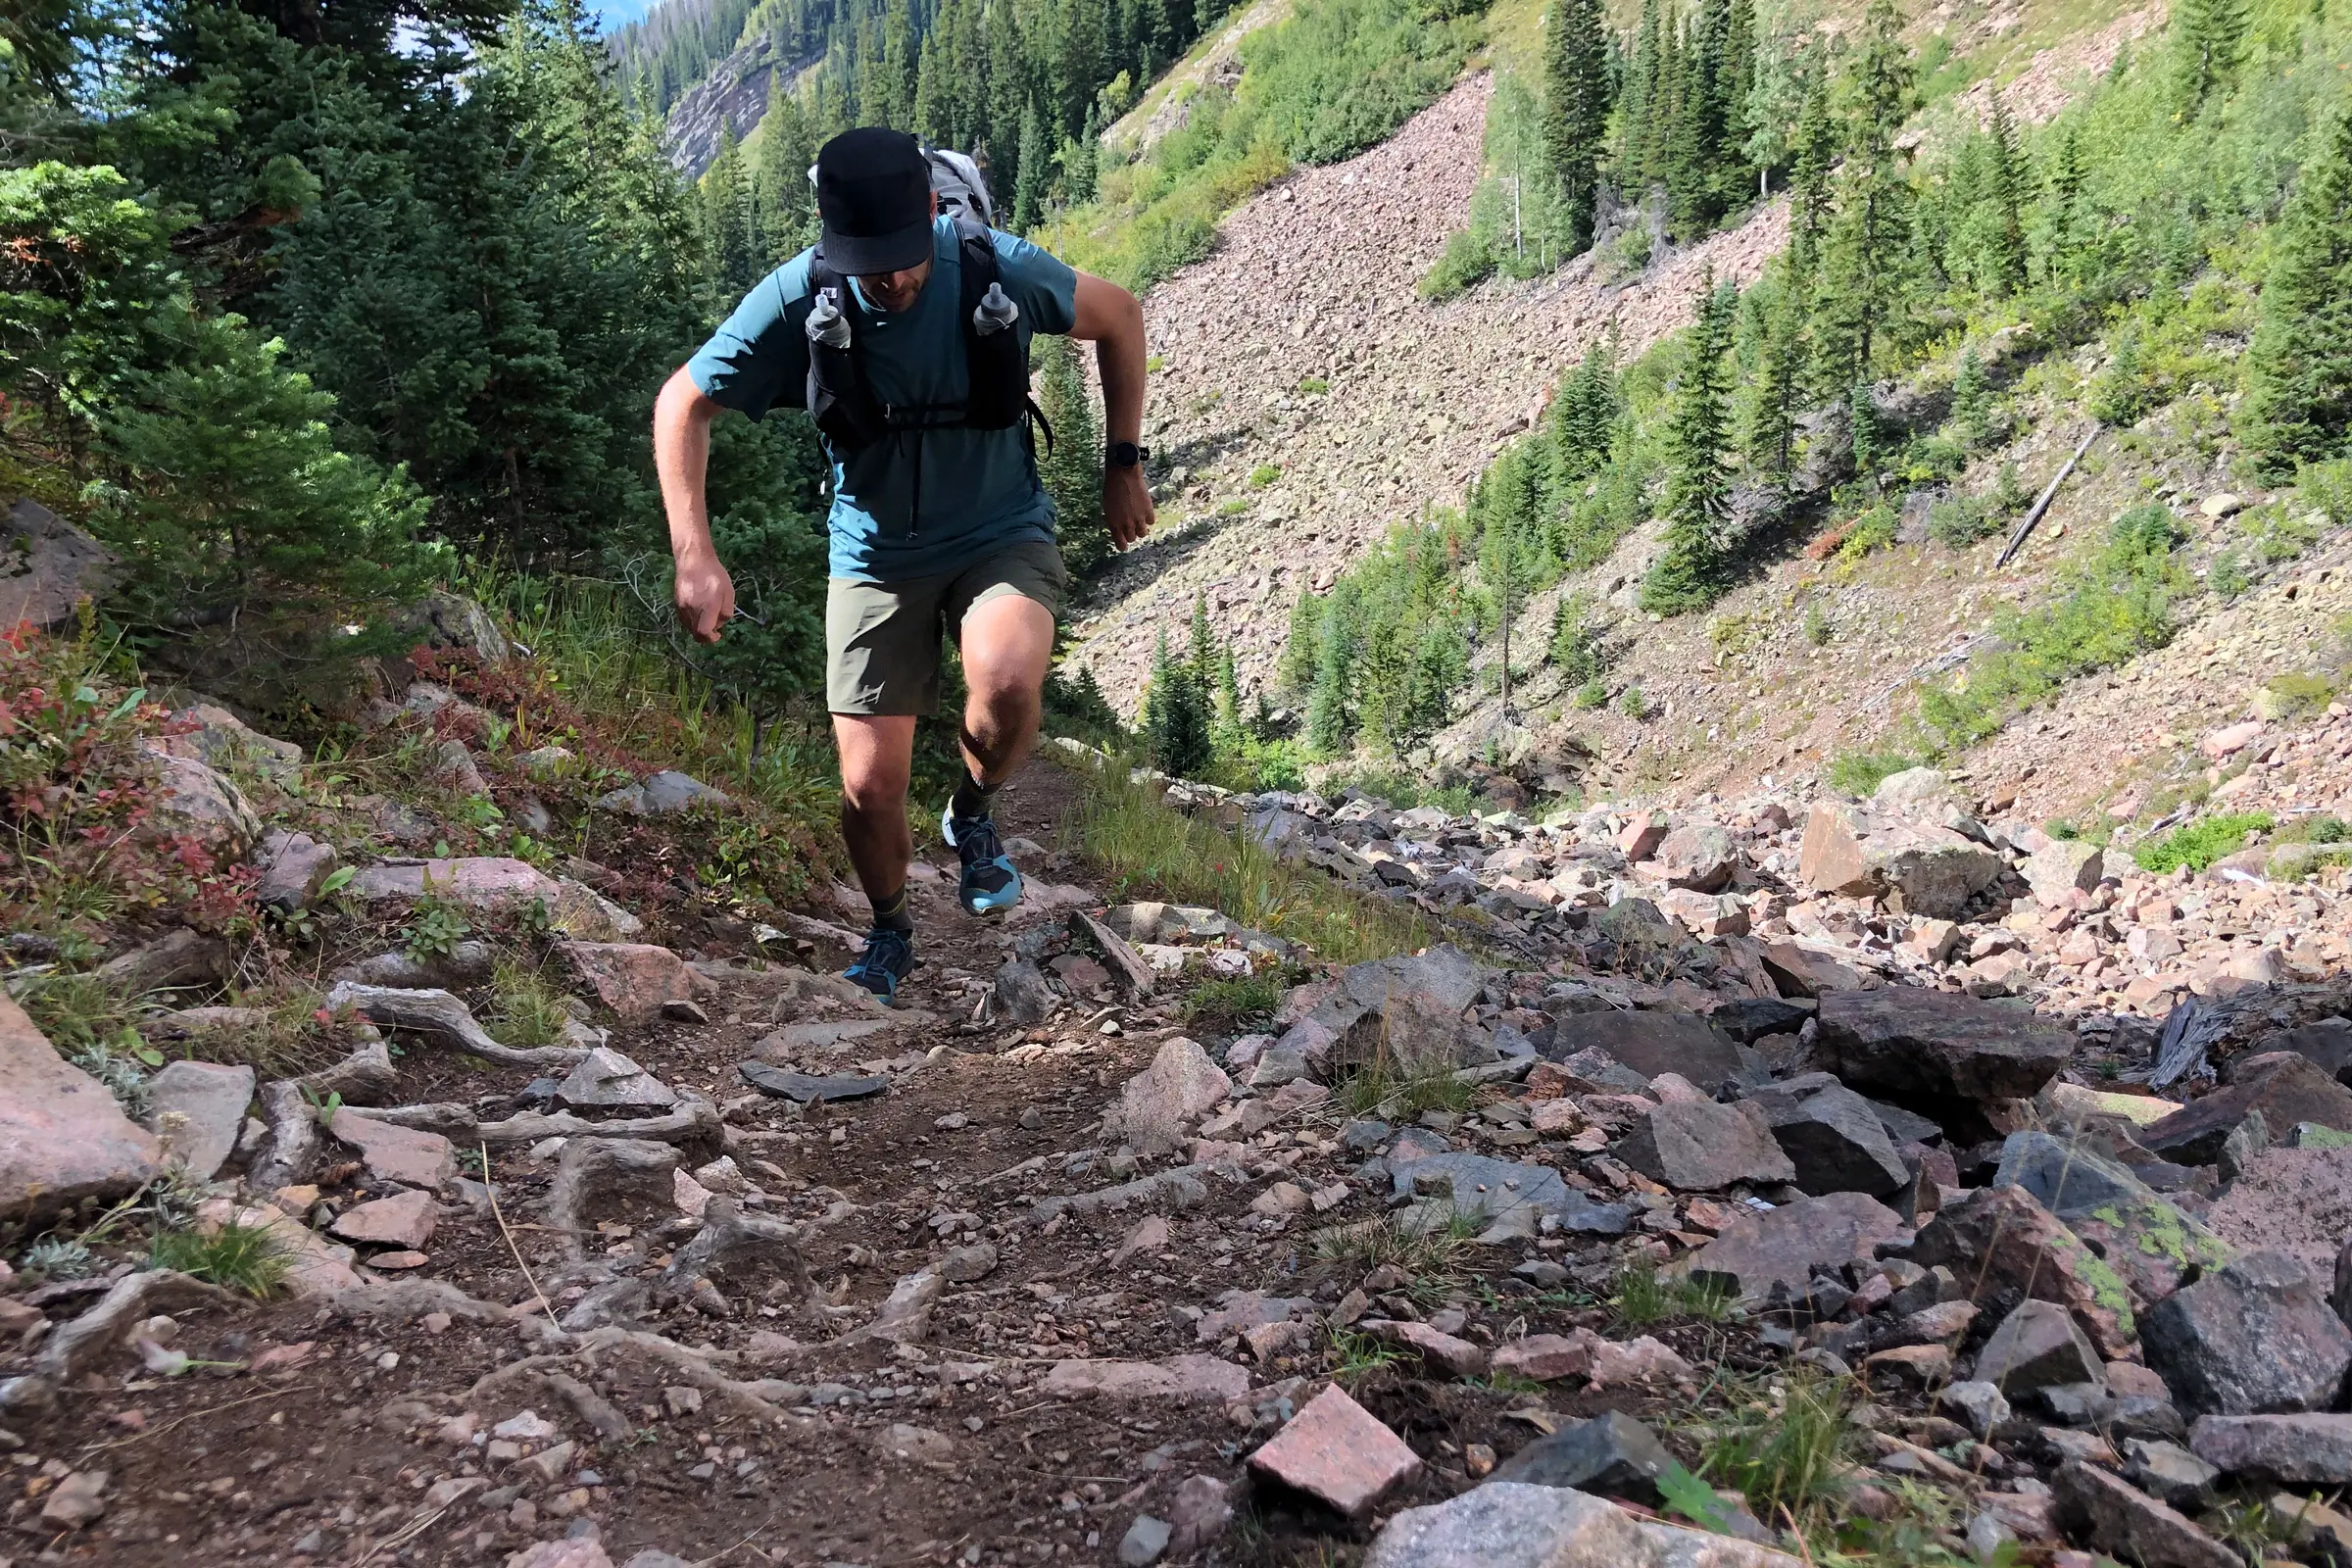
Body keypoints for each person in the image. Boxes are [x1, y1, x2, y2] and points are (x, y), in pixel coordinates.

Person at [654, 126, 1153, 1004]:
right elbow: (682, 402)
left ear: (932, 210)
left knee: (1002, 685)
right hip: (875, 553)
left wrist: (1123, 461)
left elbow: (1118, 314)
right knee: (866, 788)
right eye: (867, 262)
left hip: (999, 527)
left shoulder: (992, 265)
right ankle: (890, 930)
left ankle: (971, 812)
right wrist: (694, 552)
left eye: (902, 255)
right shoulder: (801, 295)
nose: (889, 279)